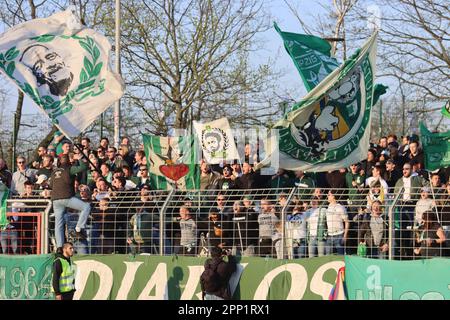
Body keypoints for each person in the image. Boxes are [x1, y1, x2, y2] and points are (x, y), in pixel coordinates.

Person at [50, 153, 90, 249]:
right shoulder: (69, 168)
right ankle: (79, 227)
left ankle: (60, 247)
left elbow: (51, 184)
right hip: (67, 197)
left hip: (55, 199)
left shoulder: (54, 171)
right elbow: (84, 167)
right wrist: (80, 158)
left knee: (58, 224)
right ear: (68, 161)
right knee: (86, 207)